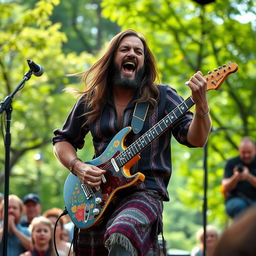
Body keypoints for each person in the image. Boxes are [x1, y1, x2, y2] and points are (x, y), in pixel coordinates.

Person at [52, 29, 211, 256]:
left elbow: (196, 139)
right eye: (125, 49)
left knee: (122, 233)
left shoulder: (163, 97)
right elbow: (62, 140)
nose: (132, 54)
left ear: (144, 63)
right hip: (96, 196)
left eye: (139, 51)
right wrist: (78, 167)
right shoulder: (91, 100)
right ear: (112, 58)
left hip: (144, 193)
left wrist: (202, 105)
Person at [222, 136, 256, 219]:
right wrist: (235, 177)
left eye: (249, 152)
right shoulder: (232, 163)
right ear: (238, 150)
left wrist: (248, 177)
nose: (246, 155)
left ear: (255, 149)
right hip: (236, 199)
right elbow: (224, 187)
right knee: (239, 206)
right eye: (243, 152)